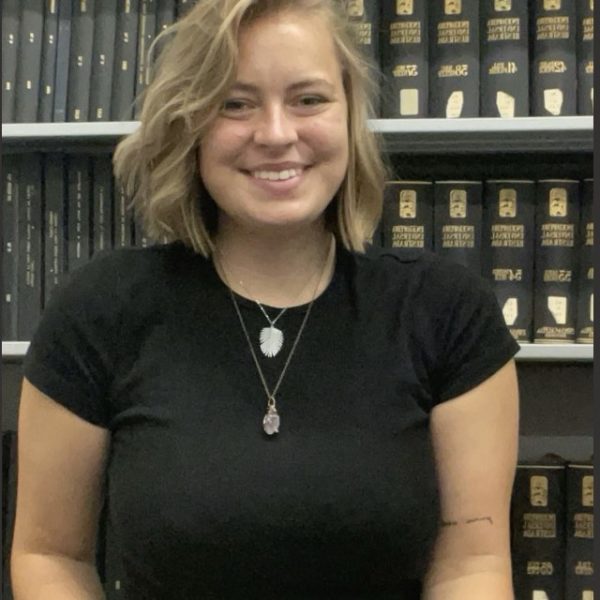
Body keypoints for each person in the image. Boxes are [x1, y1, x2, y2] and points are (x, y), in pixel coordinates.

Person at [10, 1, 520, 598]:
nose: (277, 135)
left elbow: (472, 565)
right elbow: (51, 555)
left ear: (351, 116)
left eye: (309, 99)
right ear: (190, 123)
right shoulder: (101, 309)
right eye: (235, 103)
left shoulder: (447, 312)